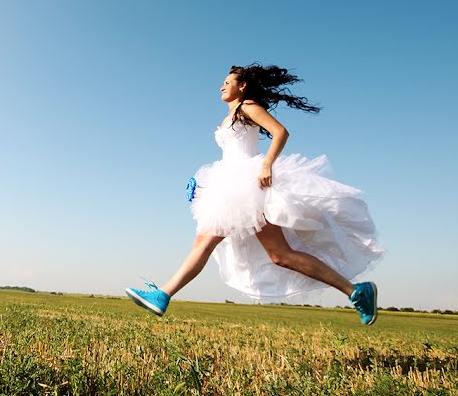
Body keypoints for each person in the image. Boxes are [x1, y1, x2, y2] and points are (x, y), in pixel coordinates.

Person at [125, 64, 384, 325]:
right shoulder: (231, 115)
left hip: (246, 186)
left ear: (243, 86)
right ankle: (356, 291)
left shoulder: (246, 106)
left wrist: (266, 165)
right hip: (230, 181)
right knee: (277, 255)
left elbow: (281, 132)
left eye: (228, 82)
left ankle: (163, 296)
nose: (222, 86)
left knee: (219, 245)